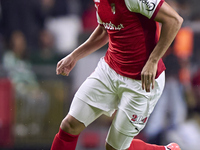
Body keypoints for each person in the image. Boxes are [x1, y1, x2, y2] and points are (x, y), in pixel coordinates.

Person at [51, 0, 183, 150]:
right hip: (109, 71)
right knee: (69, 125)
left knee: (114, 147)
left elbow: (174, 20)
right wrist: (74, 56)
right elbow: (104, 30)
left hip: (142, 81)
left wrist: (153, 60)